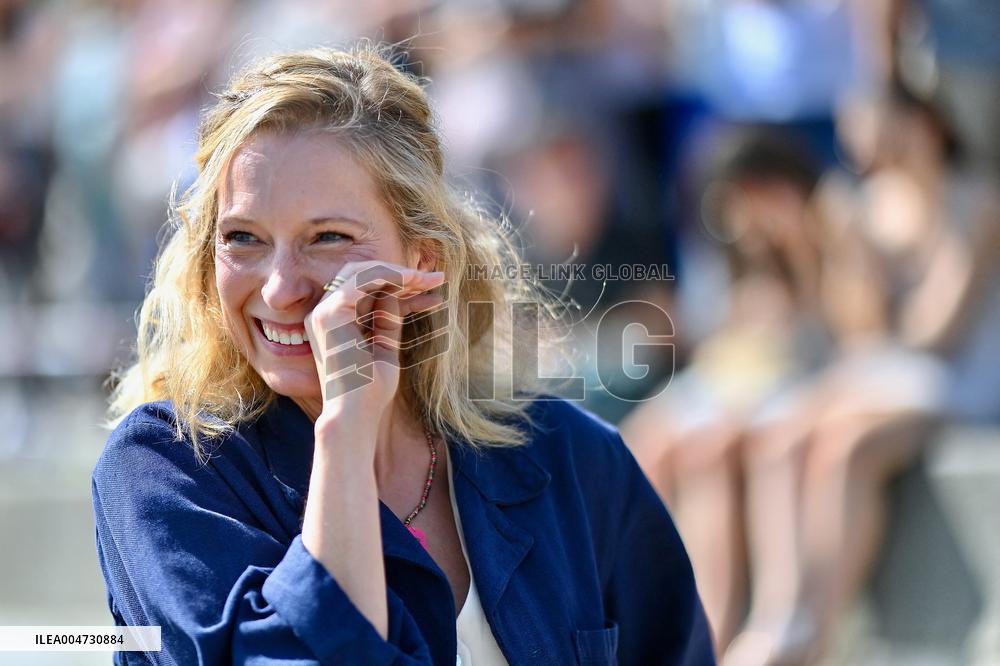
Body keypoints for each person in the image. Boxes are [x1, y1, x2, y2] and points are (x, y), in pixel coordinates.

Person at [91, 45, 714, 665]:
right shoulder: (165, 470)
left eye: (328, 237)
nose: (280, 288)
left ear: (422, 262)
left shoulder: (571, 457)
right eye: (243, 238)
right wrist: (348, 427)